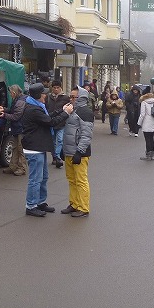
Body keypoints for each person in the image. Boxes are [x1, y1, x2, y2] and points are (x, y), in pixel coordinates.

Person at [21, 83, 68, 217]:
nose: (46, 95)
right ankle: (31, 205)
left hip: (39, 147)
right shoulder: (33, 109)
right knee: (35, 178)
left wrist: (61, 110)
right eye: (44, 93)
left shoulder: (37, 107)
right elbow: (50, 122)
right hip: (34, 148)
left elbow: (48, 117)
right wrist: (66, 113)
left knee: (43, 176)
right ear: (38, 95)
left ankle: (40, 202)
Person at [61, 87, 94, 217]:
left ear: (81, 98)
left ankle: (83, 207)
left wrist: (79, 152)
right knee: (72, 179)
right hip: (69, 152)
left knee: (81, 180)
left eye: (73, 97)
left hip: (79, 153)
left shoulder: (85, 112)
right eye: (70, 96)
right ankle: (74, 204)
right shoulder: (72, 110)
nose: (71, 99)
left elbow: (86, 135)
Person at [0, 84, 27, 176]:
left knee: (20, 149)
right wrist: (5, 110)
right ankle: (13, 166)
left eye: (10, 93)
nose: (10, 95)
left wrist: (4, 115)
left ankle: (22, 168)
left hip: (20, 128)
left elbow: (16, 116)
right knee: (15, 148)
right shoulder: (19, 100)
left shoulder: (20, 102)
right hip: (17, 128)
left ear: (14, 93)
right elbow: (13, 111)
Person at [46, 81, 70, 167]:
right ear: (52, 88)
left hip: (62, 122)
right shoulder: (48, 97)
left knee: (60, 140)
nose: (56, 89)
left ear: (60, 88)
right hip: (51, 122)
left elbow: (69, 108)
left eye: (57, 87)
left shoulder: (66, 98)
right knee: (53, 141)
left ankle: (57, 156)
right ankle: (54, 157)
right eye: (54, 87)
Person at [137, 86, 154, 161]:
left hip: (146, 121)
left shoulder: (144, 102)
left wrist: (139, 123)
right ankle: (152, 154)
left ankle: (148, 154)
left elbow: (142, 114)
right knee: (151, 138)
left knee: (147, 139)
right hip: (152, 121)